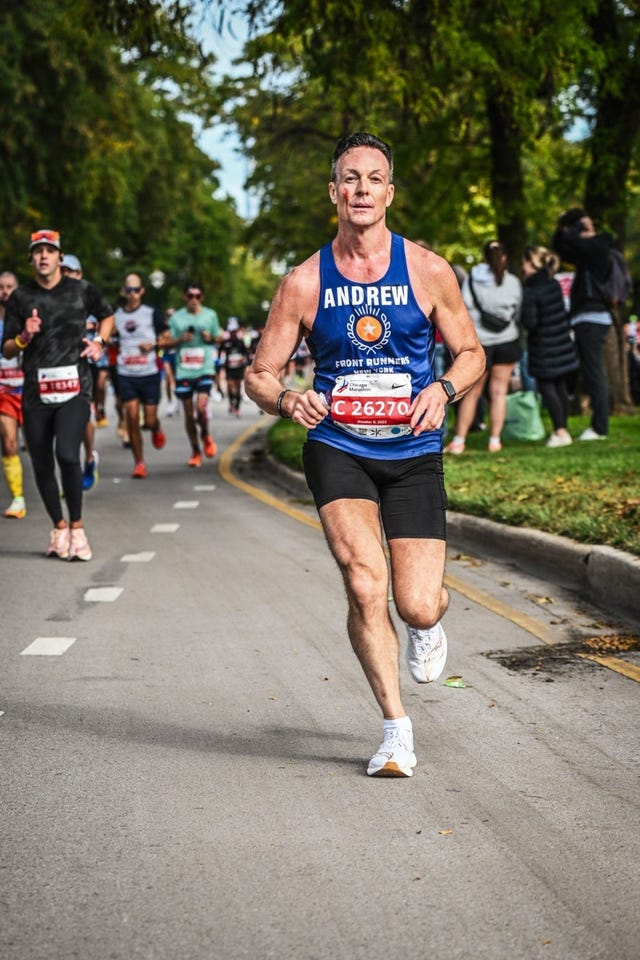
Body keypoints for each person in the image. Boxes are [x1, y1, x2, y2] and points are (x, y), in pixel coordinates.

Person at [245, 132, 485, 778]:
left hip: (412, 449)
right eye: (349, 178)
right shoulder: (303, 280)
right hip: (338, 445)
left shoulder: (429, 270)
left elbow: (471, 353)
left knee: (416, 602)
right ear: (333, 192)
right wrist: (290, 401)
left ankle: (428, 623)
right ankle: (395, 730)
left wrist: (443, 389)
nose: (360, 189)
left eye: (373, 178)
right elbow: (260, 374)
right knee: (362, 580)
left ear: (389, 192)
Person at [1, 229, 114, 560]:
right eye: (38, 251)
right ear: (31, 259)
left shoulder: (80, 290)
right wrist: (24, 336)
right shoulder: (20, 298)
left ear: (60, 257)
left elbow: (107, 316)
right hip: (36, 391)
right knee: (40, 462)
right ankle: (59, 527)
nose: (44, 256)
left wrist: (99, 343)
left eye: (50, 250)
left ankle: (78, 529)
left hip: (74, 386)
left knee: (67, 453)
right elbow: (7, 349)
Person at [445, 240, 522, 454]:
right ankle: (494, 440)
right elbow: (517, 310)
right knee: (499, 392)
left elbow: (464, 308)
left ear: (484, 257)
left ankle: (459, 440)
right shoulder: (513, 282)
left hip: (481, 343)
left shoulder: (471, 281)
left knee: (473, 393)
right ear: (504, 257)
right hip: (507, 340)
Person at [552, 208, 614, 440]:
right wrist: (566, 227)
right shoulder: (586, 254)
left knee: (594, 372)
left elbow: (570, 240)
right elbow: (560, 245)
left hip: (593, 317)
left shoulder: (600, 245)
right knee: (591, 372)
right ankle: (599, 425)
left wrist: (580, 225)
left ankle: (600, 428)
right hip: (586, 318)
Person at [521, 245, 579, 447]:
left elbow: (530, 322)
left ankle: (560, 431)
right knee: (560, 386)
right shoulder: (552, 282)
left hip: (544, 346)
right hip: (561, 342)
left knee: (547, 387)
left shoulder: (531, 288)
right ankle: (563, 427)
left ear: (530, 263)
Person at [158, 282, 220, 467]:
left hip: (204, 368)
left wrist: (211, 338)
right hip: (184, 370)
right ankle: (195, 450)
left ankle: (206, 434)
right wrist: (179, 340)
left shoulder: (211, 315)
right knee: (188, 413)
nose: (194, 300)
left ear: (202, 298)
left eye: (197, 296)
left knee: (201, 408)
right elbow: (165, 344)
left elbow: (219, 337)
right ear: (185, 297)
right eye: (190, 296)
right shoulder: (177, 318)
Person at [113, 273, 167, 478]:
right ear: (123, 292)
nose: (133, 294)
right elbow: (108, 335)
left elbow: (166, 337)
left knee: (149, 421)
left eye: (136, 290)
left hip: (149, 373)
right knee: (132, 418)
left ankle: (156, 427)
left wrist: (153, 345)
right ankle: (139, 463)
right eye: (129, 290)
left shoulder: (151, 313)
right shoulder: (116, 316)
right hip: (126, 374)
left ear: (142, 291)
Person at [60, 254, 100, 491]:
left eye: (71, 272)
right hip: (57, 373)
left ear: (79, 275)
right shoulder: (46, 304)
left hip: (85, 372)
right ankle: (69, 475)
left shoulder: (91, 306)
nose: (66, 276)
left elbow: (104, 330)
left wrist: (98, 342)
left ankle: (89, 459)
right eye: (62, 272)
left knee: (85, 420)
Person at [0, 270, 26, 518]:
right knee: (9, 443)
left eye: (9, 287)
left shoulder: (26, 317)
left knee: (42, 446)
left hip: (30, 390)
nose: (5, 291)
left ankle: (59, 485)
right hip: (4, 393)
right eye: (1, 287)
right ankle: (18, 498)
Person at [219, 317, 249, 416]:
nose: (233, 333)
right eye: (231, 331)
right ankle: (231, 402)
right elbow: (220, 352)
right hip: (229, 368)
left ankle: (237, 408)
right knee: (230, 386)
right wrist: (222, 362)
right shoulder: (226, 342)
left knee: (238, 386)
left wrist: (245, 363)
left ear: (236, 331)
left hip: (239, 368)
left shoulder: (241, 342)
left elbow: (246, 354)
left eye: (234, 331)